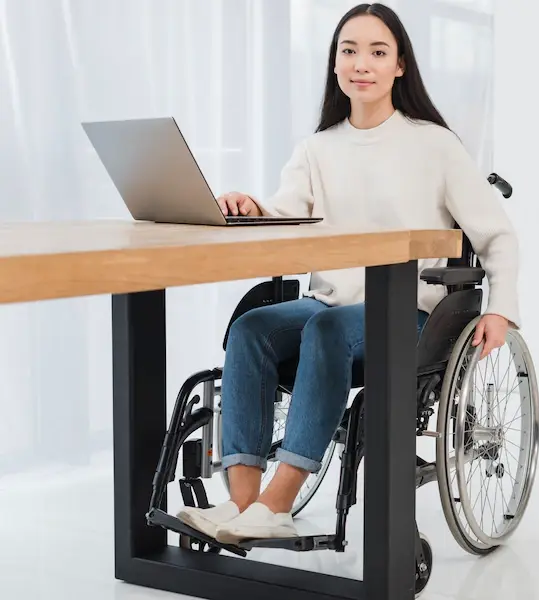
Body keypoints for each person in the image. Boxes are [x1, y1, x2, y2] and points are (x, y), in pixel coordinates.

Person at [176, 2, 520, 543]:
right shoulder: (318, 147)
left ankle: (280, 501)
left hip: (409, 317)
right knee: (252, 328)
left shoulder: (434, 143)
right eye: (349, 51)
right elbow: (287, 210)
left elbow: (496, 234)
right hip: (331, 306)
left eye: (377, 52)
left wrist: (501, 309)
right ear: (335, 65)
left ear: (399, 66)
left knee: (325, 329)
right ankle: (246, 507)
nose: (362, 63)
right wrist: (251, 206)